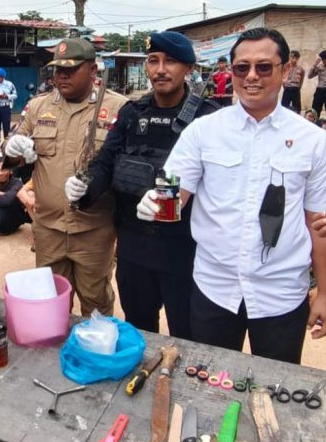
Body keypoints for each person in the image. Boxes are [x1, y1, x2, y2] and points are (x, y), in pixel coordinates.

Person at [139, 28, 326, 364]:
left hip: (281, 293)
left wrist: (324, 292)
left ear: (284, 70)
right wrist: (157, 204)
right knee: (208, 387)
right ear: (230, 71)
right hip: (214, 289)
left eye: (264, 67)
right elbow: (172, 195)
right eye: (241, 67)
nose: (251, 76)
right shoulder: (204, 131)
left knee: (277, 387)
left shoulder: (313, 141)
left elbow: (322, 226)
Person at [68, 31, 219, 339]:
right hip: (134, 247)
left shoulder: (208, 118)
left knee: (187, 336)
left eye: (171, 61)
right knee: (139, 333)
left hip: (185, 250)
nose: (160, 69)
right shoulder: (132, 113)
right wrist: (85, 189)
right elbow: (106, 163)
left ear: (189, 68)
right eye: (153, 61)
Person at [3, 38, 127, 316]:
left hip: (93, 230)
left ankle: (92, 355)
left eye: (71, 69)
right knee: (49, 302)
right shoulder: (38, 107)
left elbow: (123, 167)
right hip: (48, 228)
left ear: (93, 70)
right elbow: (12, 152)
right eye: (58, 69)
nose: (61, 75)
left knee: (95, 302)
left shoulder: (118, 109)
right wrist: (11, 150)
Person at [0, 67, 17, 140]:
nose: (0, 79)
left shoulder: (9, 84)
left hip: (5, 108)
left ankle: (6, 143)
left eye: (2, 77)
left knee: (6, 127)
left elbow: (15, 95)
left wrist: (7, 96)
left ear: (4, 77)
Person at [281, 50, 305, 114]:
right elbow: (282, 78)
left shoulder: (300, 69)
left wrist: (298, 87)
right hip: (287, 89)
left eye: (296, 58)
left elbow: (302, 79)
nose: (294, 59)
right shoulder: (285, 67)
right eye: (292, 57)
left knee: (297, 108)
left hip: (296, 89)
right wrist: (285, 86)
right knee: (284, 107)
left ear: (298, 59)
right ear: (290, 57)